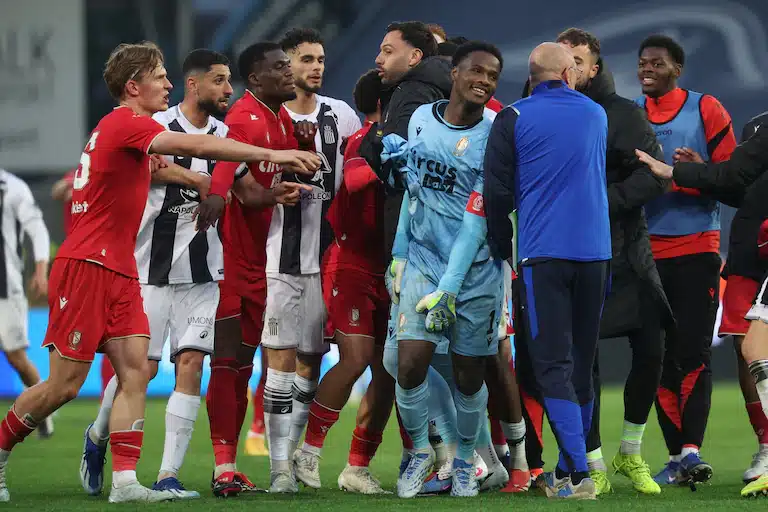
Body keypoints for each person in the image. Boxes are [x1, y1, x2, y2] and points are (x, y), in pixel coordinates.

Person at [0, 40, 318, 504]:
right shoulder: (126, 122)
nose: (169, 83)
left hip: (123, 270)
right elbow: (195, 143)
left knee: (135, 372)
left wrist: (194, 178)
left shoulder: (130, 131)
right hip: (88, 265)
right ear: (134, 86)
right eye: (159, 76)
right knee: (64, 385)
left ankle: (126, 482)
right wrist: (279, 155)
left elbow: (163, 166)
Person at [516, 28, 670, 495]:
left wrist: (599, 203)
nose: (571, 67)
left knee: (652, 347)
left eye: (579, 60)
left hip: (625, 250)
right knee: (583, 363)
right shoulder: (532, 109)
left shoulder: (621, 114)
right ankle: (591, 461)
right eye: (566, 59)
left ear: (594, 68)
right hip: (568, 252)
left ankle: (631, 450)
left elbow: (653, 176)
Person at [485, 42, 610, 500]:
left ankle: (578, 475)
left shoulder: (512, 117)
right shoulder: (596, 113)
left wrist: (501, 246)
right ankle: (566, 469)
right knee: (581, 362)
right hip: (596, 253)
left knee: (552, 363)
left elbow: (497, 192)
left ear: (532, 75)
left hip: (543, 255)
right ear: (569, 73)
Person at [194, 41, 318, 495]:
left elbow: (256, 189)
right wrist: (218, 194)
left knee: (244, 366)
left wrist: (284, 182)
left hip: (261, 261)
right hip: (227, 261)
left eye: (289, 65)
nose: (289, 73)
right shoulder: (244, 118)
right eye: (280, 67)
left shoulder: (280, 119)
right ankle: (222, 466)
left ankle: (233, 464)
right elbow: (229, 164)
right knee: (227, 363)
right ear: (256, 79)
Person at [392, 41, 504, 499]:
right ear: (455, 73)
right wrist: (399, 255)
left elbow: (476, 222)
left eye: (492, 76)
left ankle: (464, 462)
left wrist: (450, 289)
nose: (484, 81)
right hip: (422, 259)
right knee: (408, 364)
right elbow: (414, 191)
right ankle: (422, 451)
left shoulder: (495, 135)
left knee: (468, 376)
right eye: (476, 71)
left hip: (474, 272)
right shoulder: (421, 118)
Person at [635, 113, 768, 498]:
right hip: (751, 255)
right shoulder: (757, 127)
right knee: (749, 346)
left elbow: (732, 175)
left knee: (753, 346)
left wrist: (673, 171)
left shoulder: (715, 112)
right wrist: (700, 173)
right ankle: (765, 445)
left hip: (743, 249)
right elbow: (738, 185)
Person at [252, 29, 361, 470]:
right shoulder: (267, 120)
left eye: (320, 59)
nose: (316, 67)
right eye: (306, 60)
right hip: (278, 257)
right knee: (279, 360)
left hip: (328, 259)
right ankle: (278, 468)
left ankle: (295, 458)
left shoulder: (341, 115)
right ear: (285, 66)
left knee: (311, 361)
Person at [634, 34, 737, 486]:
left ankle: (691, 451)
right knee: (656, 357)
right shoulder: (630, 116)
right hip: (645, 255)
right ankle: (677, 458)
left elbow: (734, 180)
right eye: (643, 63)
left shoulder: (706, 108)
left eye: (657, 63)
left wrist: (694, 171)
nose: (647, 69)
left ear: (677, 68)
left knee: (692, 352)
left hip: (697, 250)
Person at [293, 69, 394, 494]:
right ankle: (308, 451)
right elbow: (353, 180)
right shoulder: (364, 139)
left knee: (388, 371)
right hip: (351, 264)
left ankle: (357, 466)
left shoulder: (404, 139)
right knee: (355, 359)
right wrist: (392, 166)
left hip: (390, 268)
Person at [0, 170, 52, 440]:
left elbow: (37, 229)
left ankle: (42, 410)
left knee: (16, 358)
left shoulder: (12, 187)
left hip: (6, 289)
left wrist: (41, 271)